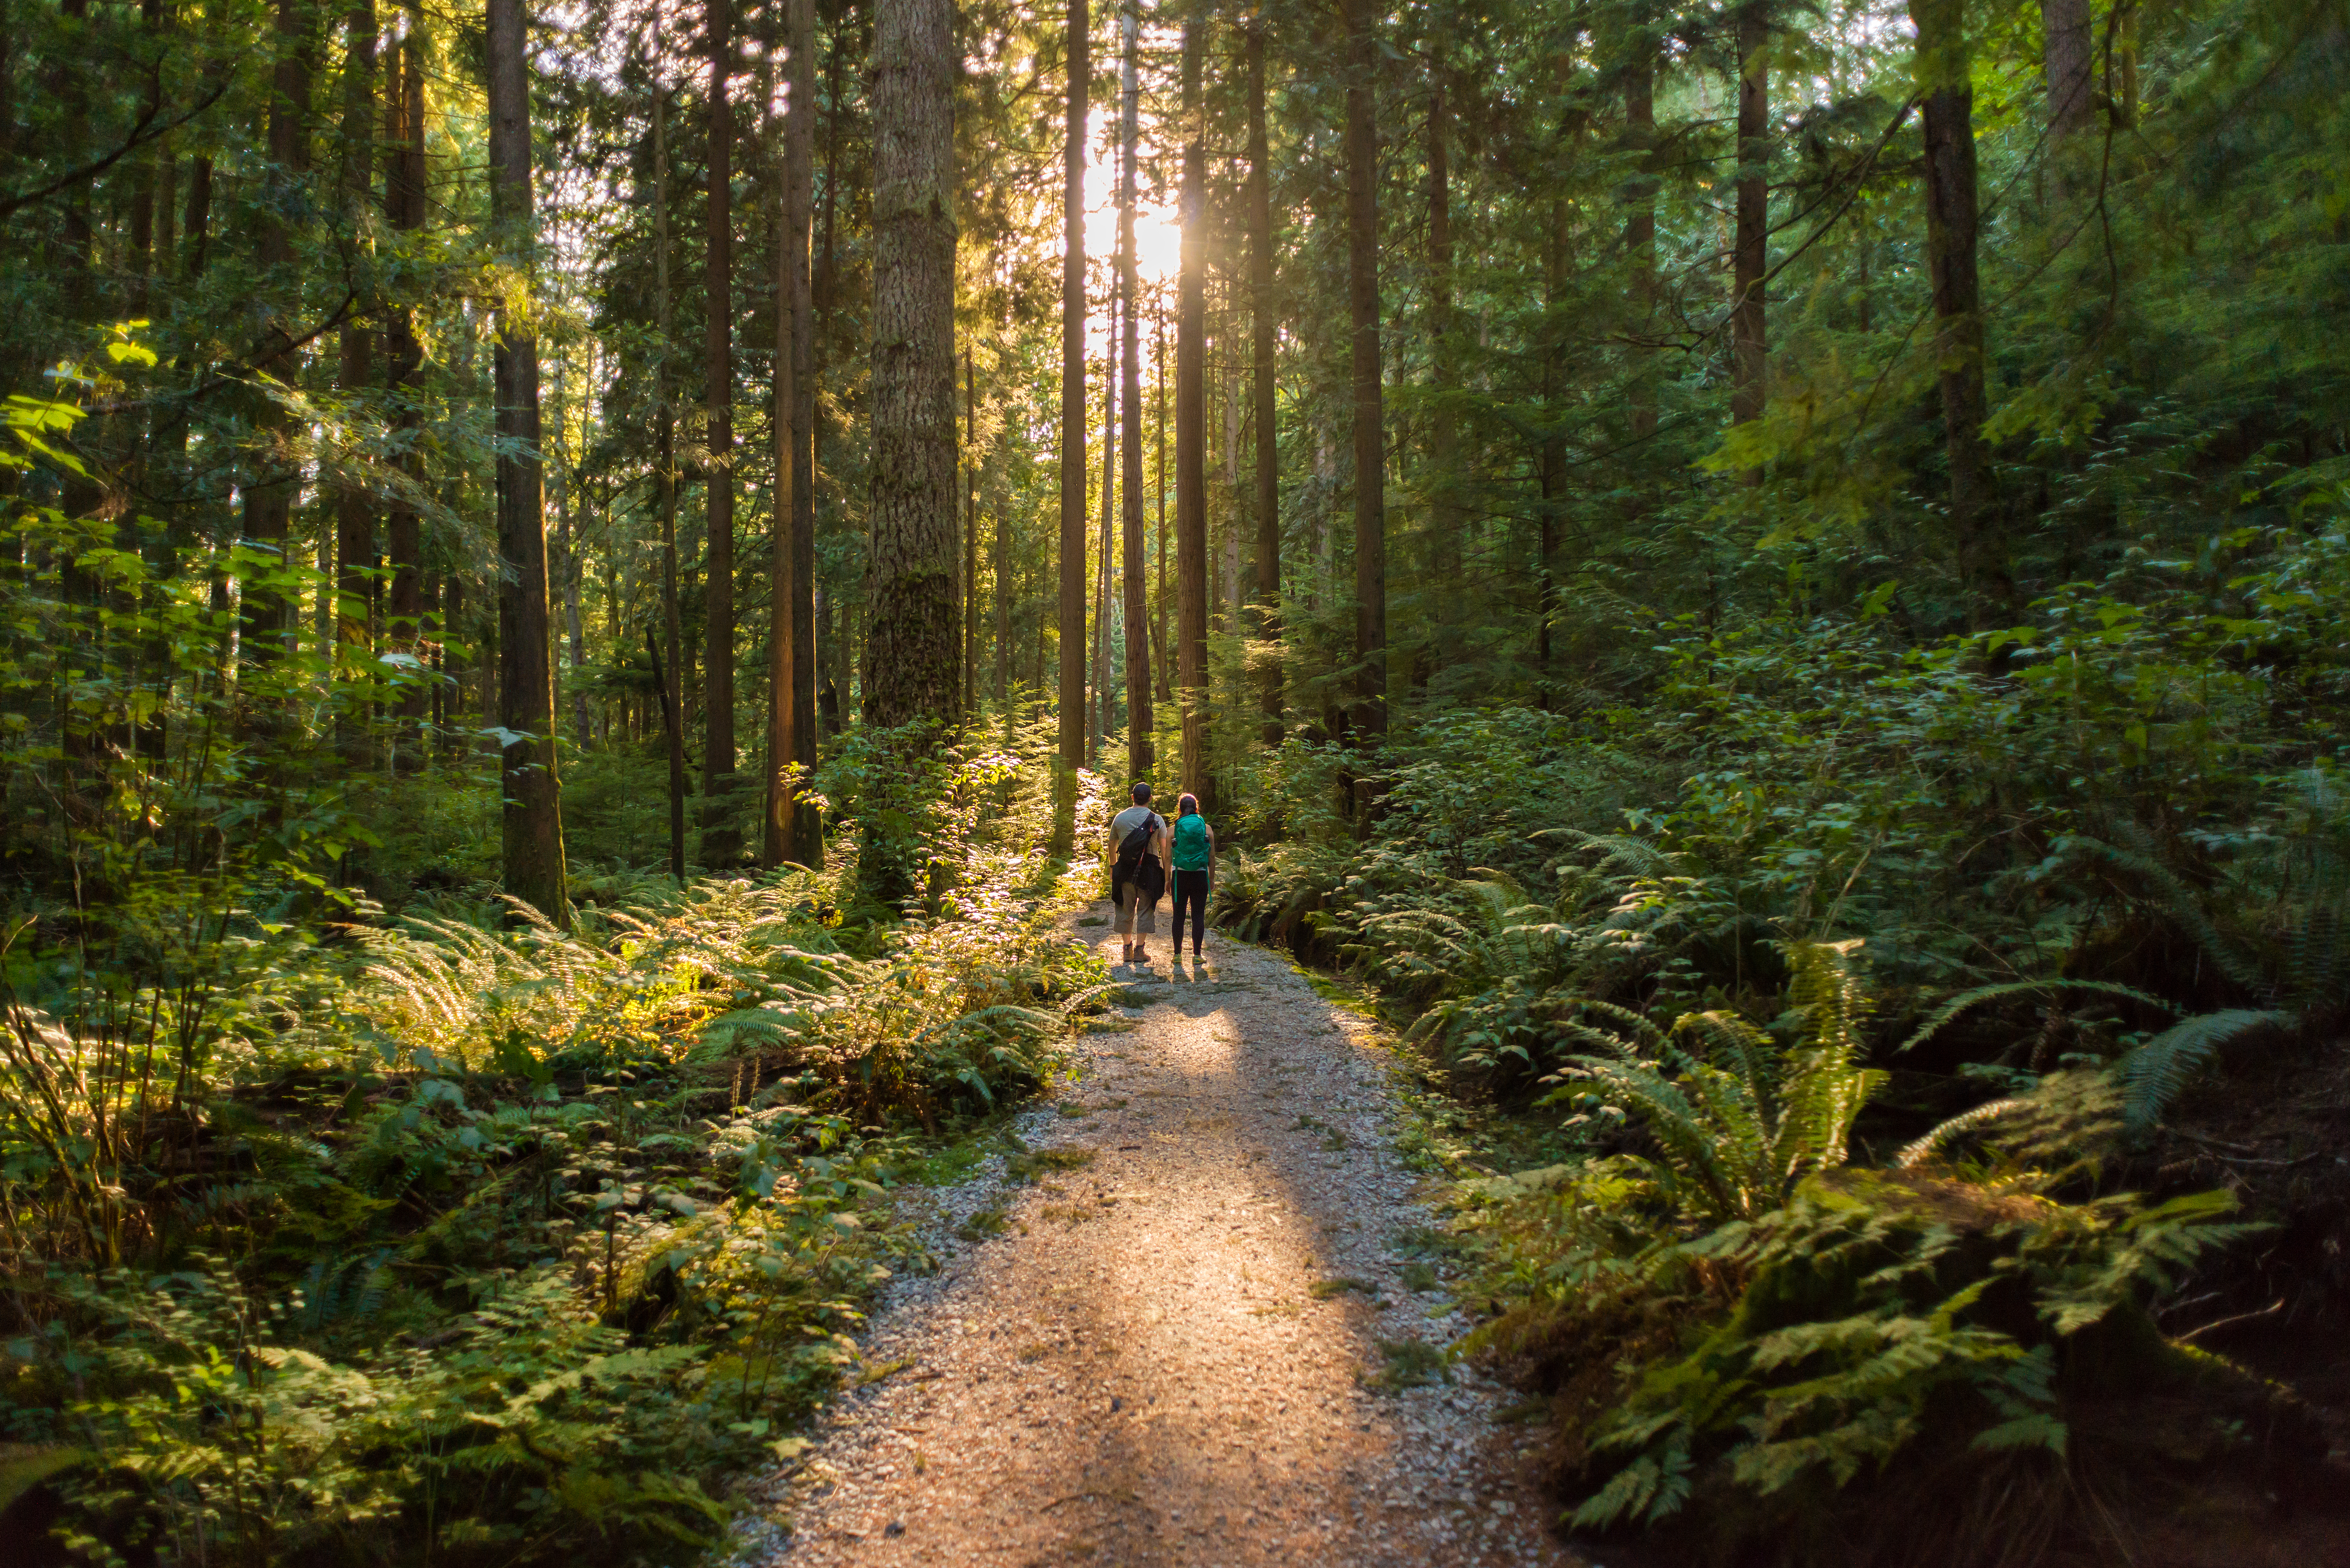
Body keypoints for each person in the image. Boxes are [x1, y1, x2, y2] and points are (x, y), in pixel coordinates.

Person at [1106, 782, 1169, 966]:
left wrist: (1112, 867)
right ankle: (1140, 950)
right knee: (1146, 908)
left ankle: (1127, 949)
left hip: (1125, 869)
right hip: (1149, 870)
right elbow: (1165, 850)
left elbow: (1112, 844)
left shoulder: (1120, 818)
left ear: (1132, 797)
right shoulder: (1157, 820)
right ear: (1150, 798)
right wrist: (1166, 876)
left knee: (1125, 907)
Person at [1168, 792, 1216, 964]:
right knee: (1198, 916)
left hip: (1179, 876)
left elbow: (1167, 857)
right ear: (1197, 809)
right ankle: (1197, 956)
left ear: (1179, 810)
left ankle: (1177, 955)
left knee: (1178, 916)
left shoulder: (1172, 830)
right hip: (1200, 876)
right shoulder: (1207, 828)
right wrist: (1212, 879)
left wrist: (1168, 879)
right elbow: (1212, 857)